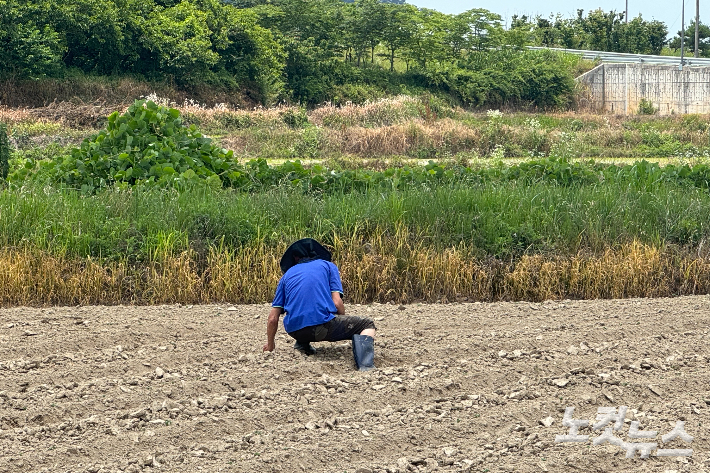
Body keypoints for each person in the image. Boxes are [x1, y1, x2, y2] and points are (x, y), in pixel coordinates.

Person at [262, 238, 377, 371]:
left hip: (294, 331)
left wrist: (270, 345)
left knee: (304, 315)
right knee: (366, 324)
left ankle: (302, 345)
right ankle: (366, 366)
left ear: (295, 259)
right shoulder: (328, 266)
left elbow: (272, 319)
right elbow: (337, 303)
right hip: (321, 328)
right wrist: (341, 323)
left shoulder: (286, 276)